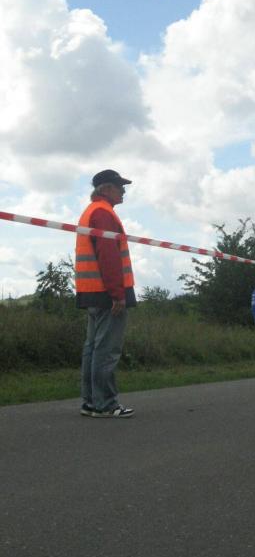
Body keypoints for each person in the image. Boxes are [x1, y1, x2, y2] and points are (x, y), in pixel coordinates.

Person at [75, 169, 136, 417]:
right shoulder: (103, 213)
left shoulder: (91, 212)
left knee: (93, 349)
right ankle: (105, 404)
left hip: (92, 293)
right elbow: (109, 256)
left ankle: (91, 402)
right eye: (120, 186)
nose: (123, 191)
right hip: (107, 294)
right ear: (106, 189)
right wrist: (117, 294)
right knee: (106, 350)